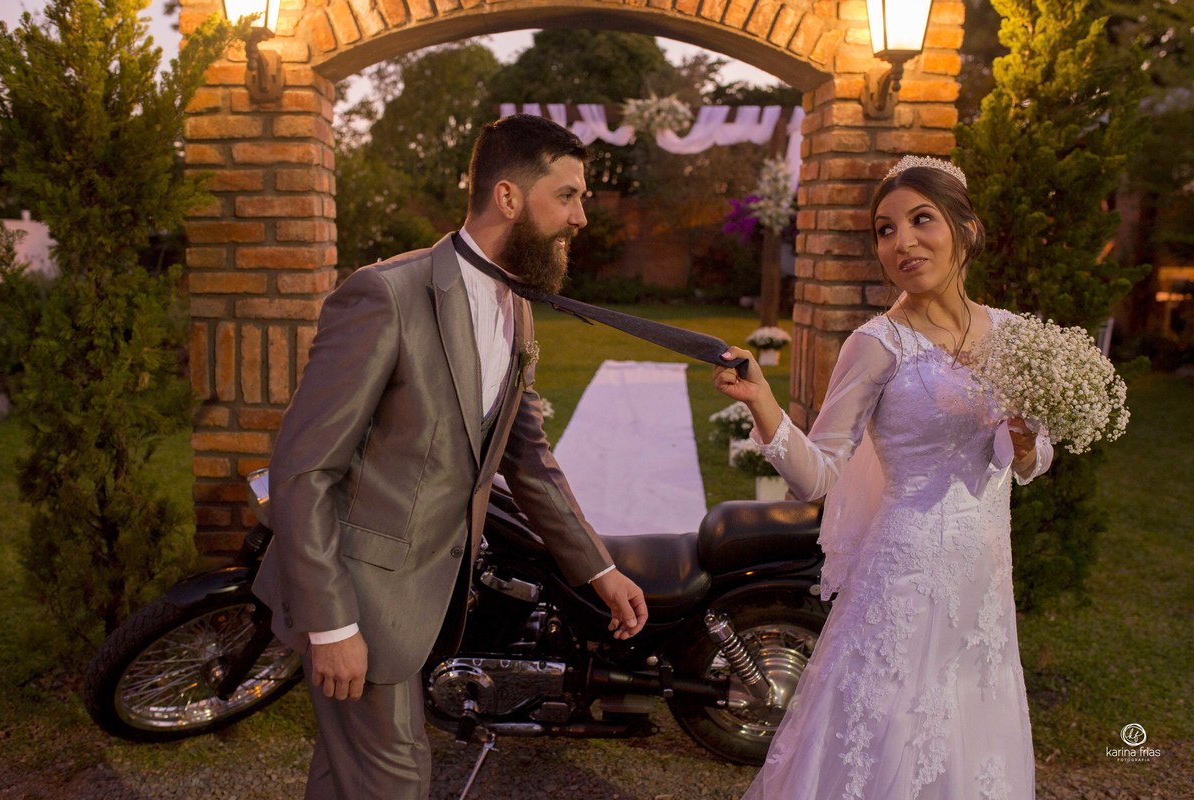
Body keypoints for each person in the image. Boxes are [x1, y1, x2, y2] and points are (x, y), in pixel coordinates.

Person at [252, 113, 649, 800]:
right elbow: (304, 468)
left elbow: (527, 458)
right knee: (396, 781)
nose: (581, 217)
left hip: (423, 602)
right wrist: (332, 622)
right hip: (357, 596)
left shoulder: (517, 306)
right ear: (508, 197)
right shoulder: (386, 295)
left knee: (348, 779)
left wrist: (600, 569)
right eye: (567, 195)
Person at [714, 155, 1053, 799]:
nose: (902, 242)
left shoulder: (1013, 336)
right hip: (903, 583)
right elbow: (818, 476)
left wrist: (1028, 447)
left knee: (972, 737)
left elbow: (1035, 459)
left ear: (966, 228)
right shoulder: (876, 344)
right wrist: (761, 401)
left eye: (921, 220)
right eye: (885, 229)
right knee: (887, 739)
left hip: (985, 582)